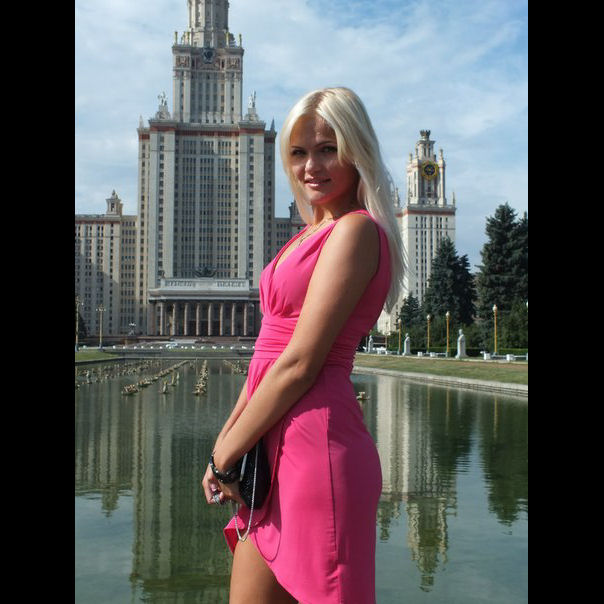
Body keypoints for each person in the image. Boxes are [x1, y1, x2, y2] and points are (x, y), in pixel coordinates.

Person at [202, 86, 404, 603]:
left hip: (317, 453)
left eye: (328, 149)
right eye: (298, 152)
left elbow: (299, 363)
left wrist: (228, 452)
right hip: (267, 450)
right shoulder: (307, 234)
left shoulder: (355, 232)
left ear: (357, 151)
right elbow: (266, 358)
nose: (311, 166)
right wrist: (224, 446)